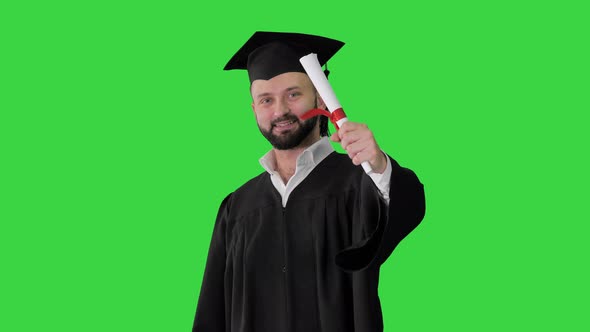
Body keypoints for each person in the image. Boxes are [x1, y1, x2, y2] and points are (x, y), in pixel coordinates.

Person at [192, 31, 425, 332]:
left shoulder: (358, 183)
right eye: (266, 100)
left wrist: (378, 164)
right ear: (253, 109)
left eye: (293, 94)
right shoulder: (237, 207)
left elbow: (408, 209)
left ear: (319, 95)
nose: (279, 111)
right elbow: (213, 311)